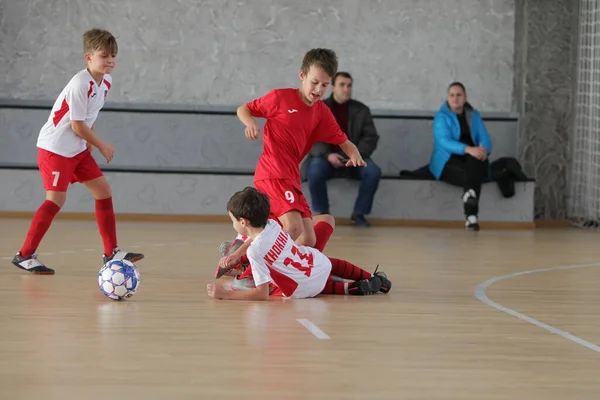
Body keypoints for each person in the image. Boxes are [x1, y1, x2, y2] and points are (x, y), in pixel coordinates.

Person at [11, 29, 144, 275]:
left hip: (78, 148)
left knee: (103, 190)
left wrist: (89, 140)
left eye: (113, 55)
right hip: (56, 148)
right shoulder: (79, 83)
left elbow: (88, 117)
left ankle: (110, 253)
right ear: (88, 57)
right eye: (104, 55)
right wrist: (101, 144)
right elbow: (76, 124)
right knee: (56, 199)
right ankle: (25, 255)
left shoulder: (106, 82)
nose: (110, 60)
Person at [234, 49, 365, 253]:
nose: (318, 89)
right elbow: (244, 109)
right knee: (293, 228)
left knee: (308, 238)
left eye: (324, 85)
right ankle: (247, 266)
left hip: (291, 177)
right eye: (314, 82)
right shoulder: (280, 97)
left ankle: (248, 243)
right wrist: (250, 123)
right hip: (273, 173)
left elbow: (344, 141)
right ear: (302, 75)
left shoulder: (321, 112)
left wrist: (354, 154)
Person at [206, 187, 391, 300]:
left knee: (283, 287)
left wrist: (225, 294)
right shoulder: (272, 225)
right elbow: (256, 238)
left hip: (304, 289)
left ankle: (348, 289)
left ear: (243, 222)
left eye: (232, 220)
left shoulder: (255, 252)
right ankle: (375, 278)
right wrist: (237, 254)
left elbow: (261, 295)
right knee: (326, 262)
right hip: (316, 265)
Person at [300, 72, 381, 227]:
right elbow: (310, 138)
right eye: (342, 85)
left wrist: (355, 154)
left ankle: (359, 213)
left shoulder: (362, 110)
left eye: (349, 85)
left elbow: (371, 137)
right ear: (332, 87)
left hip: (355, 157)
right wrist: (327, 154)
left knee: (373, 172)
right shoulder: (318, 108)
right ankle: (323, 214)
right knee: (314, 170)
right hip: (325, 157)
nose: (346, 89)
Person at [429, 82, 493, 231]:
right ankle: (471, 217)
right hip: (447, 163)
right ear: (447, 98)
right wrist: (468, 149)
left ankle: (469, 199)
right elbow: (444, 141)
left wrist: (483, 149)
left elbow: (485, 137)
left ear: (465, 98)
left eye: (459, 95)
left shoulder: (474, 115)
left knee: (475, 162)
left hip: (472, 160)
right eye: (452, 95)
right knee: (474, 172)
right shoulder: (441, 117)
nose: (455, 98)